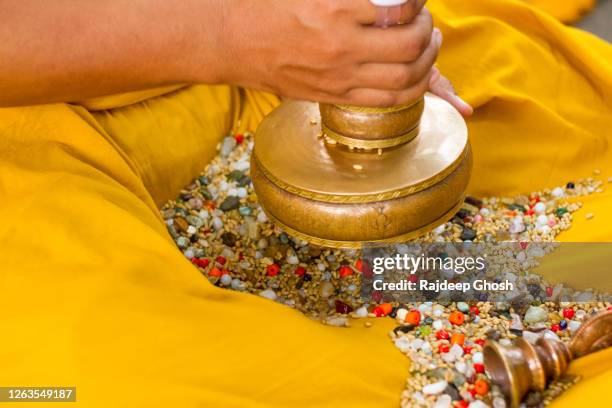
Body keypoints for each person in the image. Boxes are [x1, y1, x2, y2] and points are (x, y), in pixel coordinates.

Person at [0, 0, 610, 407]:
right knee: (98, 370)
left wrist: (361, 45)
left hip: (278, 57)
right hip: (49, 106)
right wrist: (221, 34)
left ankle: (494, 288)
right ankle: (437, 376)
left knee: (559, 121)